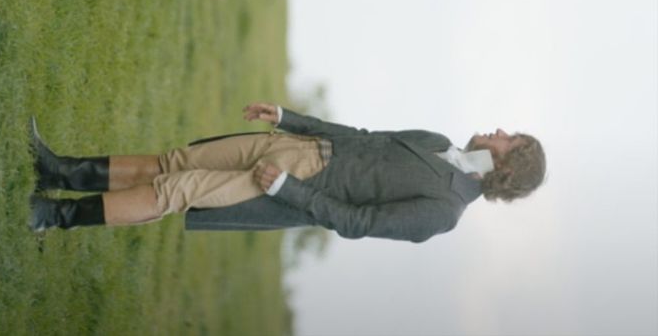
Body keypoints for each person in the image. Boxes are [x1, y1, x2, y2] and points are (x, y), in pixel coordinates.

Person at [28, 102, 546, 242]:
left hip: (287, 186)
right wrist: (289, 119)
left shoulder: (444, 212)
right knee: (175, 162)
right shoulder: (437, 143)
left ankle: (54, 216)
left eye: (509, 138)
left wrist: (286, 188)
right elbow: (361, 137)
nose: (498, 131)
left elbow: (356, 223)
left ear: (507, 164)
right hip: (301, 146)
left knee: (175, 189)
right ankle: (60, 170)